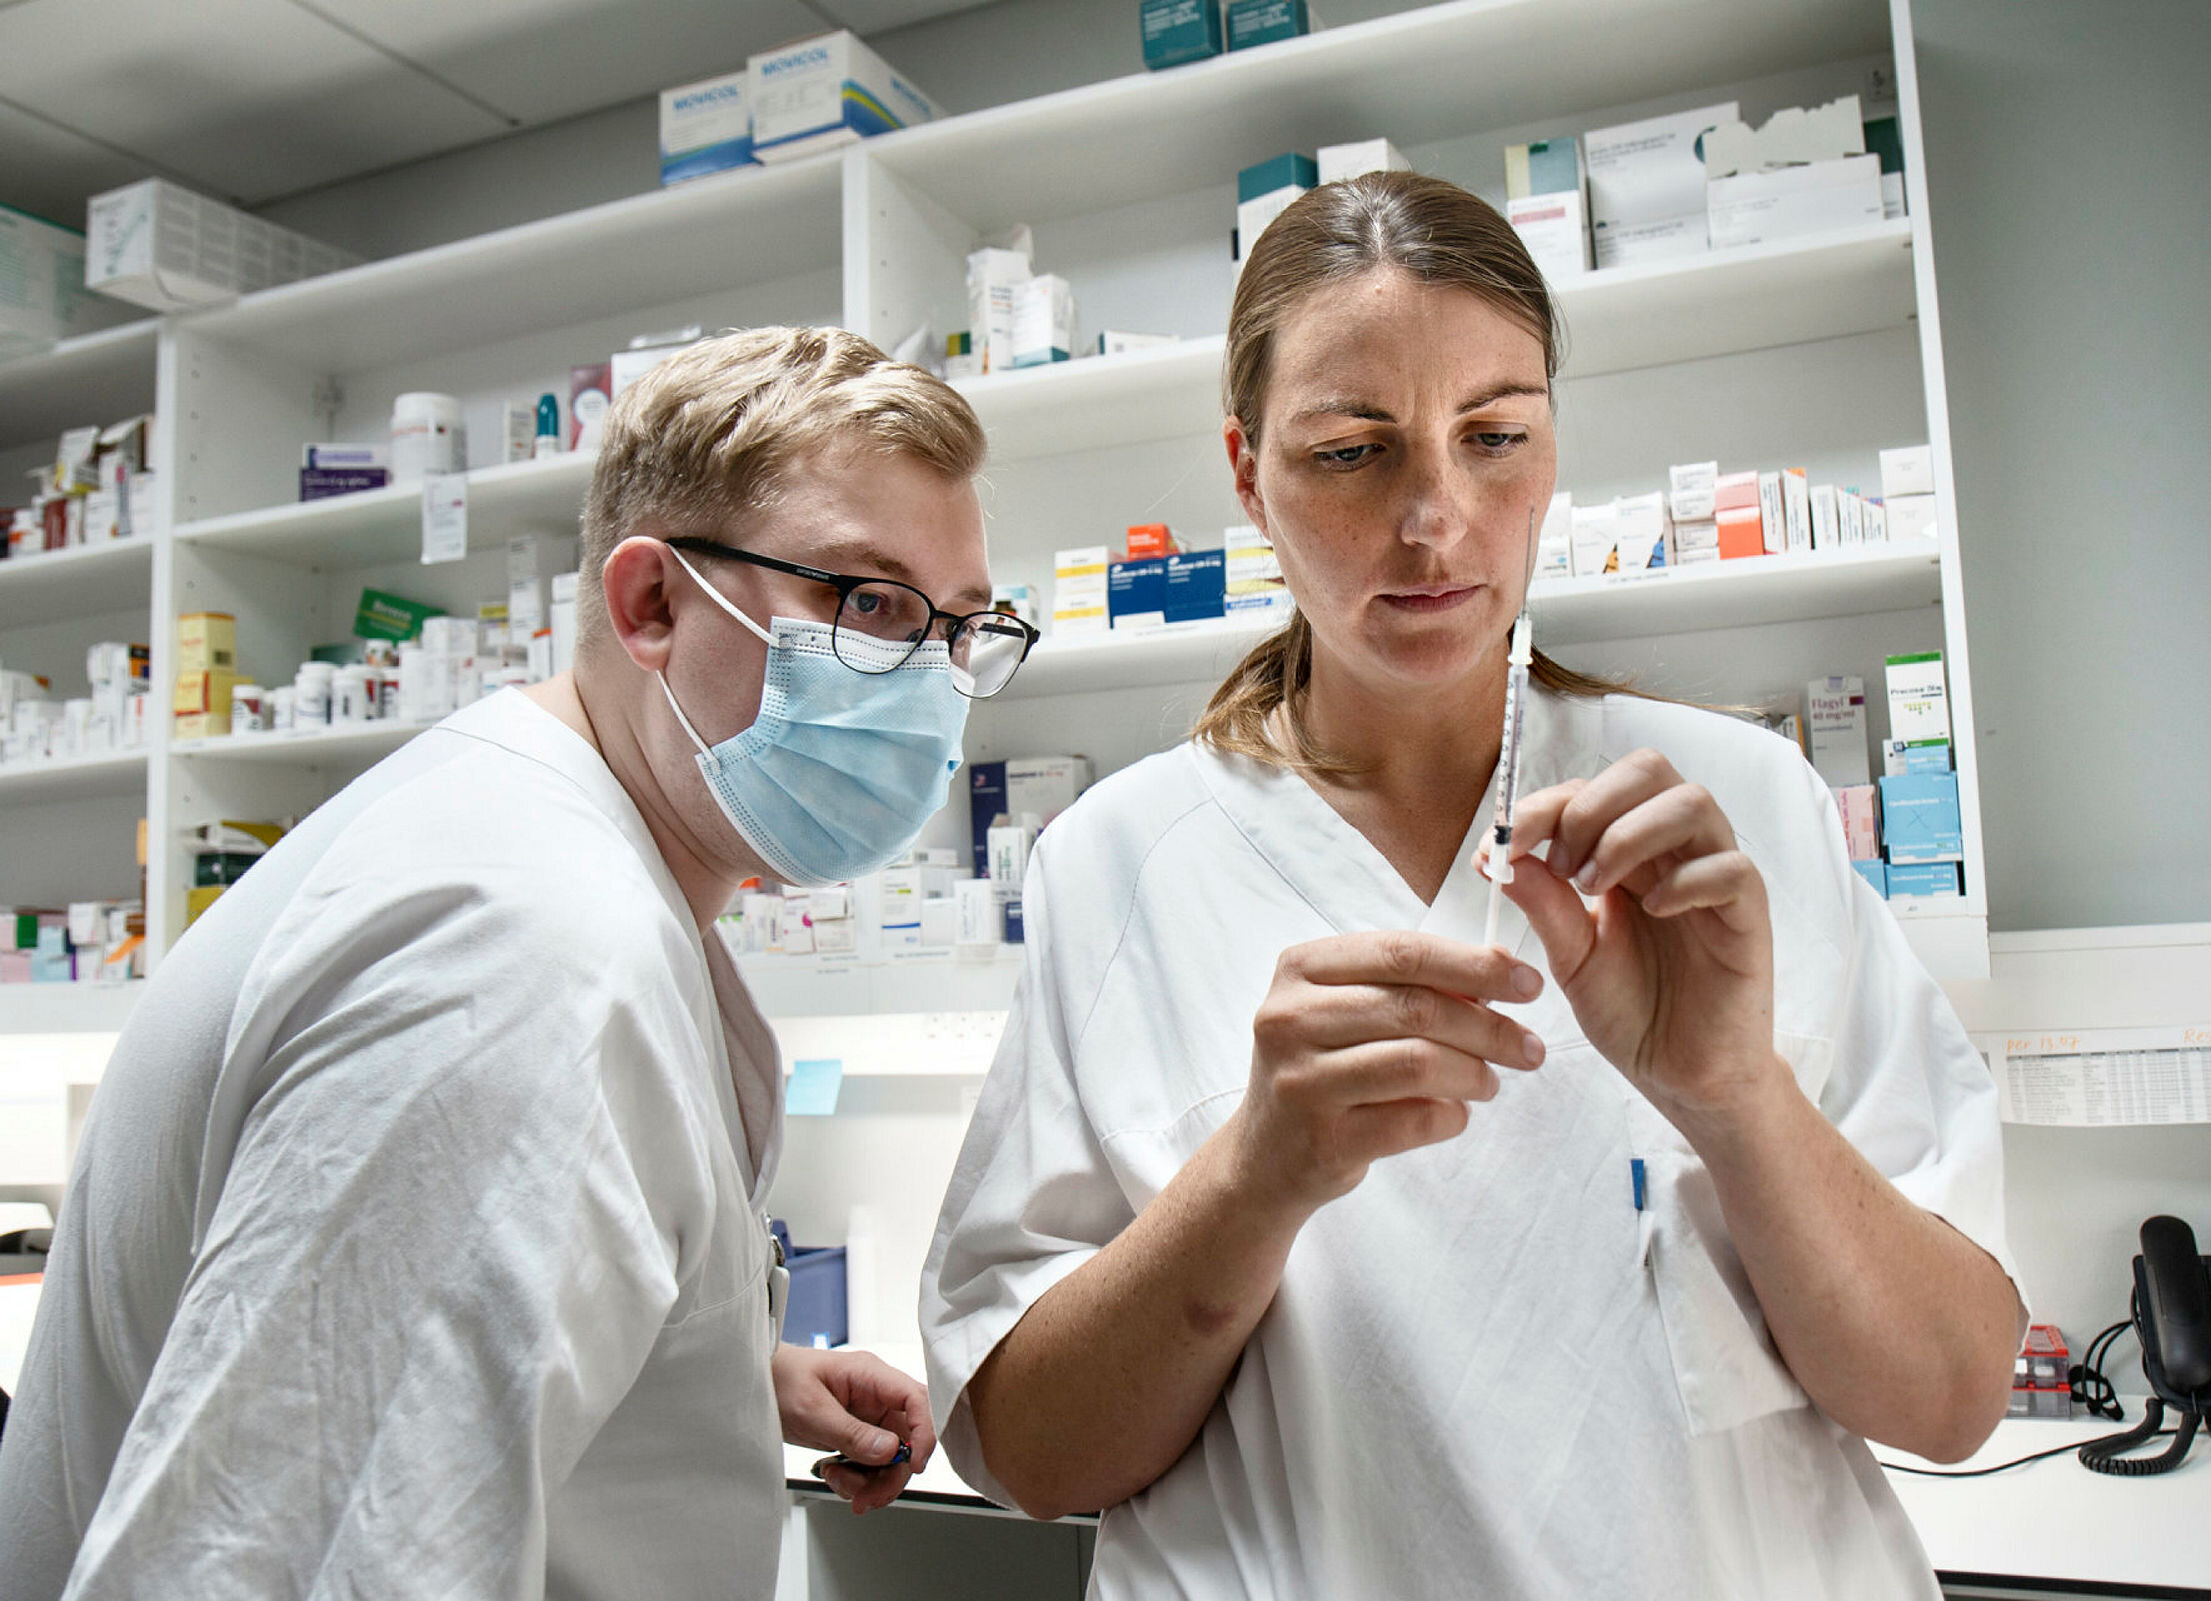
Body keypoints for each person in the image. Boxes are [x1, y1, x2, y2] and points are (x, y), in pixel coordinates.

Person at [921, 173, 2026, 1598]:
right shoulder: (1122, 864)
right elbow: (1030, 1457)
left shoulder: (1732, 813)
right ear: (1249, 472)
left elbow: (1953, 1399)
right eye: (1351, 452)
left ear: (1554, 448)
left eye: (1495, 436)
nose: (1437, 518)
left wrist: (1737, 1096)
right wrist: (1254, 1180)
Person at [0, 327, 1041, 1597]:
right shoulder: (524, 954)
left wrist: (706, 1367)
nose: (927, 677)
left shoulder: (533, 837)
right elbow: (282, 1564)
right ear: (651, 603)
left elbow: (401, 1344)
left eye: (962, 627)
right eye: (865, 600)